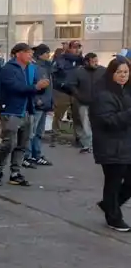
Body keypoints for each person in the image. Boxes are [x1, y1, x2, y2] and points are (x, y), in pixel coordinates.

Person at [0, 43, 50, 187]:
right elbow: (13, 87)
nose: (30, 55)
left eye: (31, 52)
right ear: (18, 54)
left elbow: (34, 87)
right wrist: (36, 87)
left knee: (22, 143)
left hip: (27, 109)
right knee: (9, 143)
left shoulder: (32, 68)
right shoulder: (8, 69)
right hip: (11, 109)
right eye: (27, 52)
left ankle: (15, 173)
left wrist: (41, 88)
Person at [92, 58, 131, 231]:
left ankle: (109, 205)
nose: (123, 76)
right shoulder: (103, 94)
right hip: (110, 146)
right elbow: (109, 121)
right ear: (111, 73)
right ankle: (113, 218)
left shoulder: (126, 92)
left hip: (126, 145)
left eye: (126, 72)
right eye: (119, 72)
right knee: (113, 183)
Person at [68, 52, 104, 154]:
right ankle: (87, 145)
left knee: (97, 123)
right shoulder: (78, 72)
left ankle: (97, 144)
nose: (96, 63)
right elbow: (72, 85)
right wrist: (79, 96)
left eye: (96, 61)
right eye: (93, 61)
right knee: (85, 123)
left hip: (98, 102)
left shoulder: (102, 71)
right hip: (83, 102)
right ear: (87, 62)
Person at [51, 40, 84, 146]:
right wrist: (61, 84)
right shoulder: (61, 60)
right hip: (62, 92)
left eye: (78, 47)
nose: (77, 49)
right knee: (58, 115)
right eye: (74, 47)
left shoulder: (82, 61)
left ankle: (79, 137)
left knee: (77, 116)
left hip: (76, 92)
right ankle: (55, 136)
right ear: (69, 48)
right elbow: (53, 74)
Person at [26, 44, 54, 166]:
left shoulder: (47, 67)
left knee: (39, 132)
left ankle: (36, 154)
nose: (49, 55)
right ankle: (27, 156)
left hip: (44, 104)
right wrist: (37, 100)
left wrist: (50, 104)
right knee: (31, 132)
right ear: (41, 54)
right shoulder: (35, 67)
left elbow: (49, 87)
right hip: (37, 104)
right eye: (46, 53)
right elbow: (32, 84)